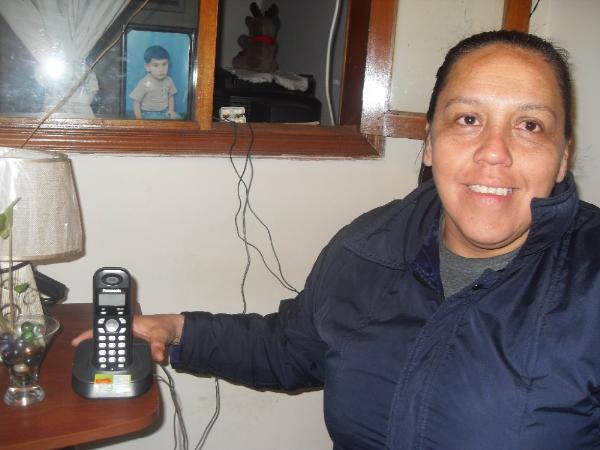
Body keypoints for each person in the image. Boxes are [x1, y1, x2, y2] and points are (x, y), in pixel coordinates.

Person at [74, 30, 600, 449]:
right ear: (429, 144)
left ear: (562, 157)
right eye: (468, 119)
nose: (495, 151)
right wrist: (175, 329)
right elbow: (291, 347)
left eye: (530, 126)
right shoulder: (370, 245)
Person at [129, 45, 179, 120]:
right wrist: (139, 118)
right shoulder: (144, 82)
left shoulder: (169, 80)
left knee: (178, 119)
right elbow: (136, 101)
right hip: (147, 113)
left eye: (164, 64)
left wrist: (171, 111)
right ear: (147, 67)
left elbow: (171, 97)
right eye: (156, 65)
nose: (161, 69)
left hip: (164, 111)